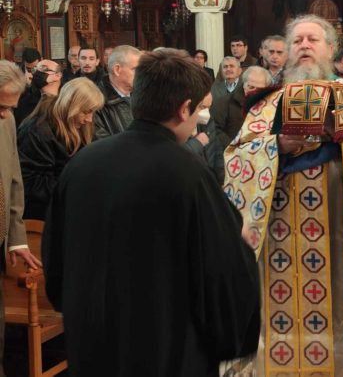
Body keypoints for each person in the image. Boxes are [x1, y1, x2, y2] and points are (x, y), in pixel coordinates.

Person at [42, 49, 261, 377]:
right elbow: (223, 273)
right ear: (184, 109)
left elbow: (55, 258)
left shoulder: (82, 164)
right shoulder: (189, 173)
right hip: (165, 351)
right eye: (199, 110)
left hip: (92, 347)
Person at [222, 15, 343, 376]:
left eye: (312, 40)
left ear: (331, 49)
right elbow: (237, 157)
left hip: (342, 229)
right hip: (280, 235)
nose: (304, 45)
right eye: (297, 40)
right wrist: (276, 146)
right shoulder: (267, 102)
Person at [0, 60, 43, 376]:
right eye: (1, 106)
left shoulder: (7, 121)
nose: (5, 114)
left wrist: (15, 238)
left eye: (10, 107)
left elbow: (13, 179)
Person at [18, 78, 104, 220]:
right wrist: (76, 187)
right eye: (85, 112)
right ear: (71, 106)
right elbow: (30, 182)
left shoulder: (79, 125)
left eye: (92, 112)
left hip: (69, 207)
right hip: (44, 215)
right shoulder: (37, 130)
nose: (89, 119)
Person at [212, 65, 271, 152]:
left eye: (260, 89)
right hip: (232, 153)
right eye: (251, 87)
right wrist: (234, 147)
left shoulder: (271, 105)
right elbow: (214, 129)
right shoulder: (224, 103)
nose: (255, 92)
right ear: (244, 84)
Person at [94, 45, 142, 139]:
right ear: (117, 70)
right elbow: (101, 143)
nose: (141, 74)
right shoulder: (95, 101)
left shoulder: (144, 96)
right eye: (136, 69)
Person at [13, 49, 44, 126]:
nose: (33, 71)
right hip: (22, 116)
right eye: (29, 69)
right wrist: (27, 86)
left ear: (41, 60)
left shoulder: (45, 71)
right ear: (23, 63)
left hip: (40, 114)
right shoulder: (16, 74)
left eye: (35, 67)